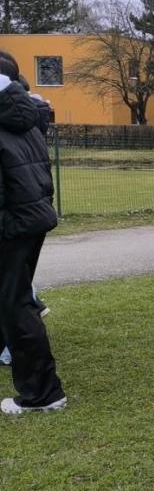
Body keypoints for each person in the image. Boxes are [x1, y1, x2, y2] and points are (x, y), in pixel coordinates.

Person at [0, 51, 66, 414]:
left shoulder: (10, 115)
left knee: (15, 305)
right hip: (30, 219)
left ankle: (42, 394)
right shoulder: (25, 114)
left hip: (12, 225)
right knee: (15, 299)